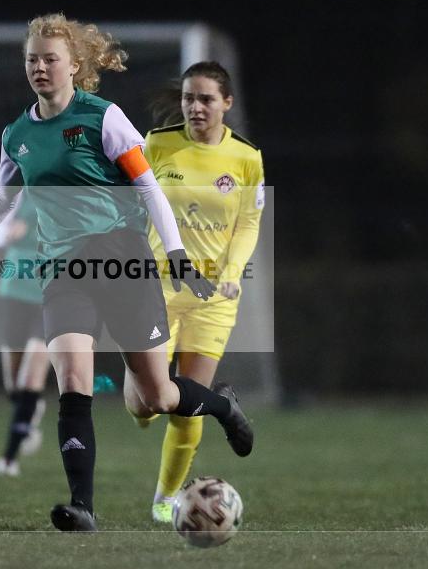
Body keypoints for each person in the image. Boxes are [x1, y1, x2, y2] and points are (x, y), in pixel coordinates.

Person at [0, 14, 252, 532]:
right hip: (62, 271)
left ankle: (221, 407)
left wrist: (176, 253)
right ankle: (83, 506)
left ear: (75, 66)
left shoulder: (102, 117)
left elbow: (148, 189)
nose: (40, 68)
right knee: (73, 381)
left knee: (157, 396)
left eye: (50, 59)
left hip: (124, 261)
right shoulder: (17, 133)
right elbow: (3, 199)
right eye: (32, 59)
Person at [132, 61, 266, 523]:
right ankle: (221, 405)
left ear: (227, 103)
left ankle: (166, 500)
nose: (195, 106)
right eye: (189, 97)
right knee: (145, 404)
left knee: (184, 413)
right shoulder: (158, 144)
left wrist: (232, 271)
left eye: (206, 98)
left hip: (213, 297)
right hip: (156, 289)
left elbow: (249, 222)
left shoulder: (247, 157)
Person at [0, 195, 50, 477]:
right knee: (14, 384)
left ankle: (9, 459)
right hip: (14, 292)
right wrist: (8, 232)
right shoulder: (20, 188)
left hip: (53, 295)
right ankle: (30, 407)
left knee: (31, 378)